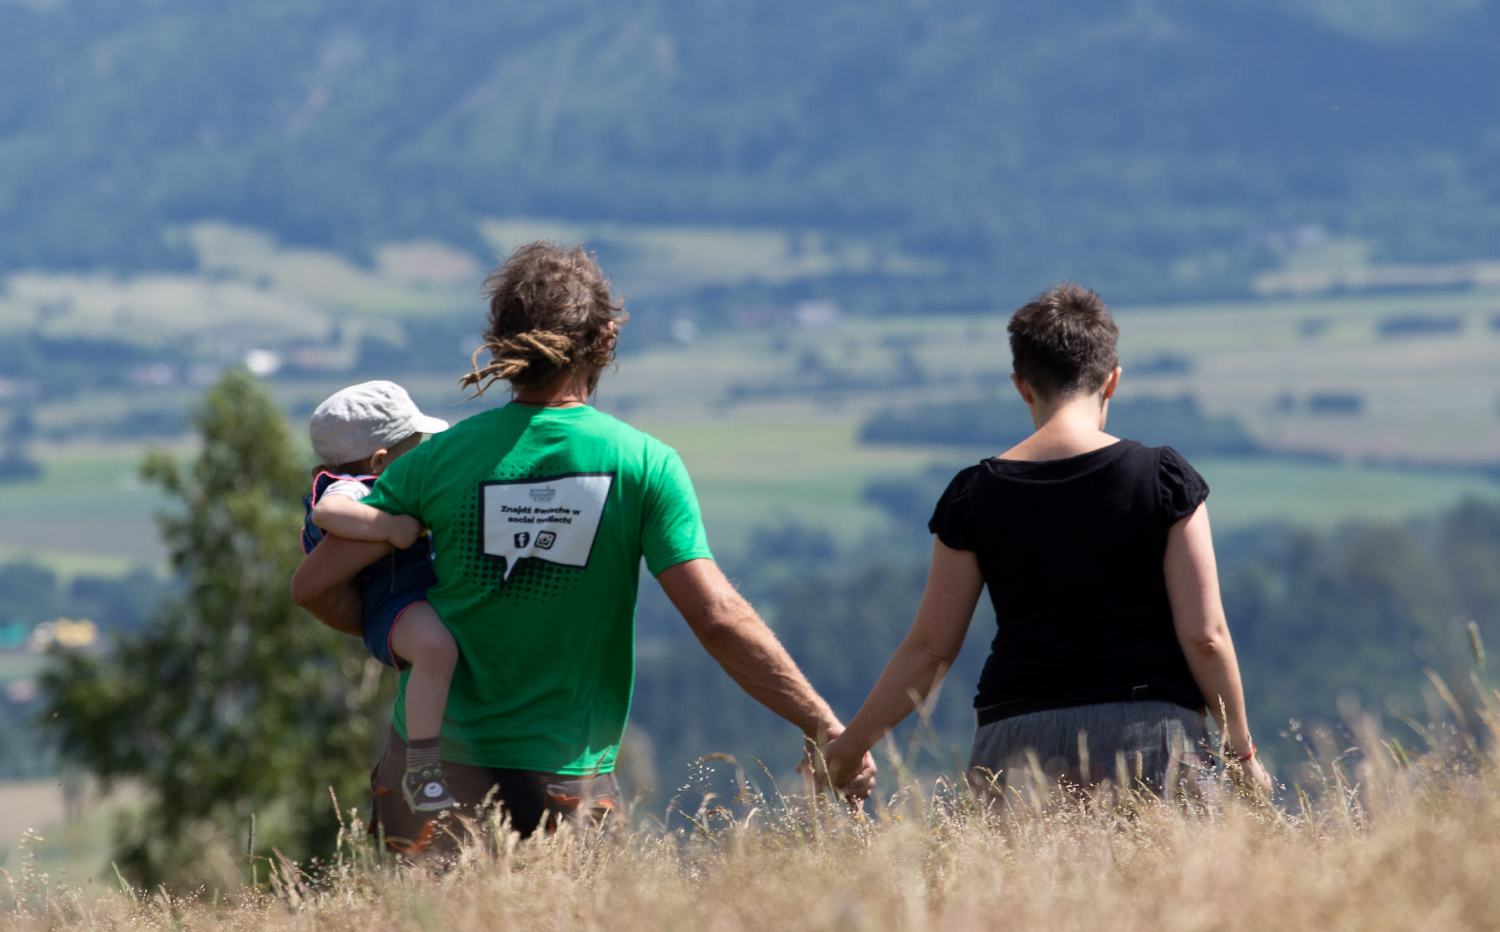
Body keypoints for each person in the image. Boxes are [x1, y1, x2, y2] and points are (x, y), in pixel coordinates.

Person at [292, 241, 874, 853]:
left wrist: (399, 634)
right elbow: (717, 617)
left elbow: (313, 586)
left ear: (499, 341)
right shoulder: (643, 464)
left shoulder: (436, 461)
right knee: (565, 920)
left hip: (433, 771)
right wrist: (824, 727)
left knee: (430, 920)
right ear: (606, 339)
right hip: (567, 776)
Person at [826, 283, 1271, 799]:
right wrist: (1241, 755)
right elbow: (1205, 636)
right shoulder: (1163, 479)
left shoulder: (974, 495)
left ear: (1021, 386)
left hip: (1015, 738)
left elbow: (929, 650)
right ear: (1112, 381)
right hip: (1151, 735)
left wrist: (848, 748)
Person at [302, 380, 461, 818]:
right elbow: (328, 512)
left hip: (406, 596)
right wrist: (390, 528)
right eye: (413, 448)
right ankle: (422, 769)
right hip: (391, 602)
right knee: (435, 649)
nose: (420, 455)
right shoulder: (350, 486)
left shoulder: (365, 476)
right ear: (378, 461)